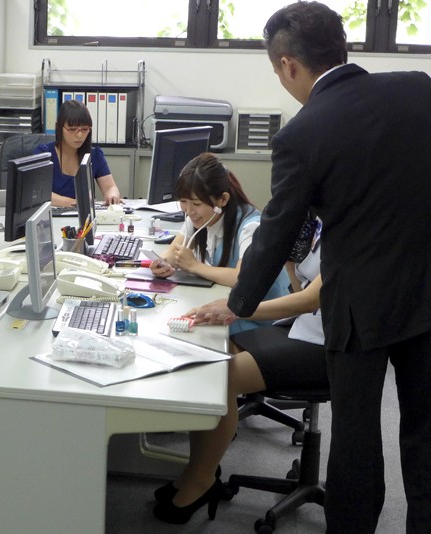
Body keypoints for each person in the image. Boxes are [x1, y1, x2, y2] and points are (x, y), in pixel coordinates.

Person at [190, 3, 431, 532]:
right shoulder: (418, 87)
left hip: (358, 305)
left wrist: (238, 305)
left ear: (288, 65)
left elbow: (277, 232)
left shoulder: (302, 133)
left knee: (357, 440)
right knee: (424, 433)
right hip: (425, 291)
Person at [153, 221, 325, 524]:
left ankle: (202, 480)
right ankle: (197, 471)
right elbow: (302, 294)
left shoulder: (348, 227)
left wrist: (237, 308)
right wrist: (290, 262)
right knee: (212, 362)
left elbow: (312, 299)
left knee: (219, 378)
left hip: (329, 344)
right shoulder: (319, 224)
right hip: (304, 327)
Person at [149, 152, 289, 334]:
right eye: (183, 201)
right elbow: (173, 251)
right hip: (231, 309)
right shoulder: (199, 218)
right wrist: (162, 263)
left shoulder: (250, 226)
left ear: (223, 200)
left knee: (202, 333)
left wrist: (194, 266)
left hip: (261, 319)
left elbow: (242, 278)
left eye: (197, 203)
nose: (189, 211)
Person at [33, 99, 122, 207]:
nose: (79, 135)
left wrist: (112, 195)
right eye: (72, 129)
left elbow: (110, 187)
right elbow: (38, 192)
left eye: (84, 129)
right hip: (52, 215)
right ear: (58, 127)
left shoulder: (95, 155)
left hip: (85, 216)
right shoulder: (43, 154)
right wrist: (74, 203)